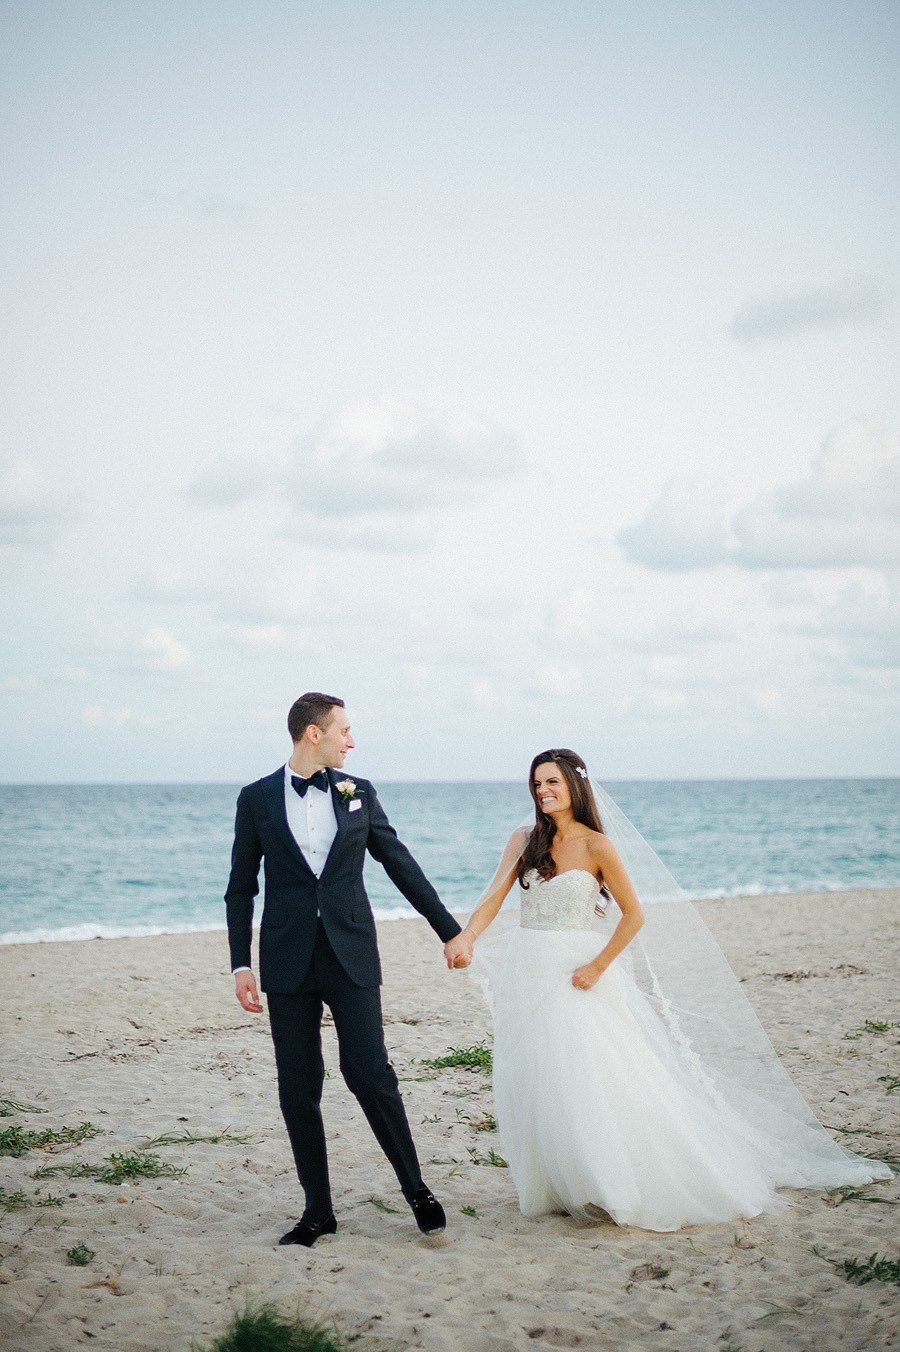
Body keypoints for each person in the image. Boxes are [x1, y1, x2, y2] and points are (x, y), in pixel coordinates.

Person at [442, 748, 892, 1231]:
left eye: (552, 782)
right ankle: (560, 1183)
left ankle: (607, 1183)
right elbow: (493, 897)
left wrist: (597, 966)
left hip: (579, 970)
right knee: (538, 1074)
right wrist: (467, 935)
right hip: (529, 967)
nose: (543, 792)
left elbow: (635, 916)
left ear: (575, 785)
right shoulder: (524, 839)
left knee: (590, 1073)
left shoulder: (598, 847)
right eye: (536, 784)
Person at [225, 692, 464, 1246]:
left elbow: (398, 861)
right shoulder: (256, 799)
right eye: (344, 731)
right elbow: (241, 886)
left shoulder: (359, 794)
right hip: (286, 962)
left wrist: (448, 930)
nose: (351, 742)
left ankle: (417, 1191)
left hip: (350, 954)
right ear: (314, 733)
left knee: (369, 1072)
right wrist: (240, 964)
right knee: (298, 1085)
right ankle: (318, 1211)